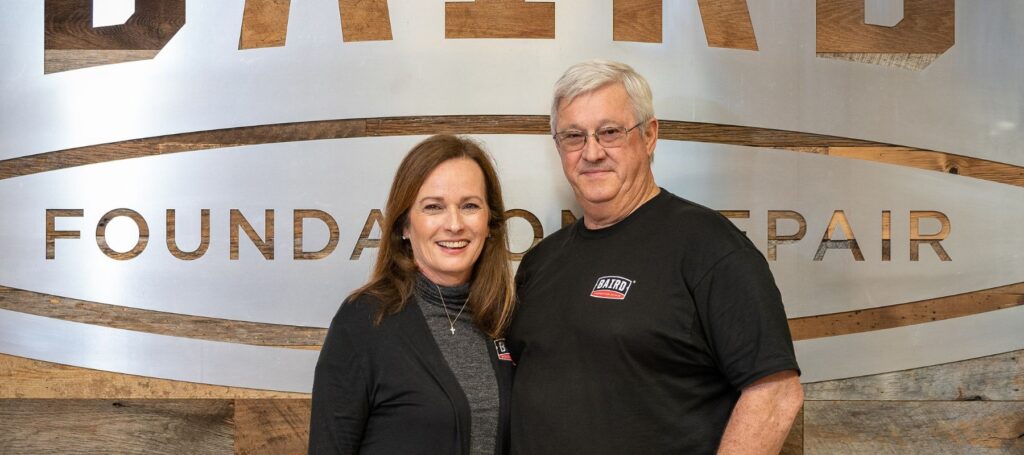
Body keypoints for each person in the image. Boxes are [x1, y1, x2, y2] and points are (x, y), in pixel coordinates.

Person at [506, 60, 803, 454]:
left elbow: (776, 393)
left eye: (610, 132)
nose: (591, 152)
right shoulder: (540, 262)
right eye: (574, 136)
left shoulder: (708, 246)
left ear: (649, 136)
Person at [309, 135, 516, 455]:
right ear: (404, 225)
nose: (455, 224)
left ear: (489, 222)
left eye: (470, 206)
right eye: (434, 207)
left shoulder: (504, 318)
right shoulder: (364, 320)